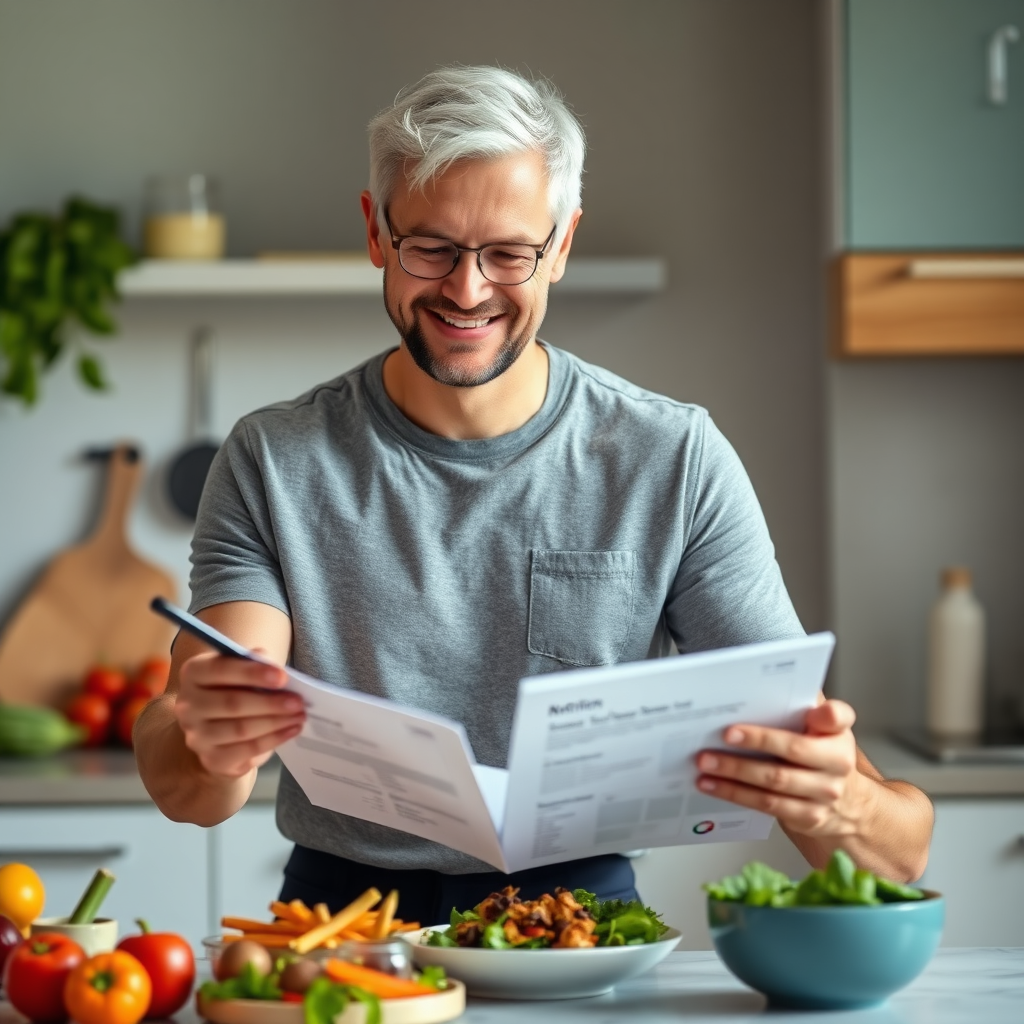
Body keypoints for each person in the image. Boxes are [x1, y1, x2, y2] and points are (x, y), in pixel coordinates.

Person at [135, 66, 933, 924]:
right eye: (430, 247)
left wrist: (834, 801)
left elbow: (895, 849)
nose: (467, 289)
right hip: (344, 926)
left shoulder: (675, 460)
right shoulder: (274, 460)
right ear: (376, 233)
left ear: (562, 244)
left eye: (509, 252)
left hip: (581, 924)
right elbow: (196, 790)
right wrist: (206, 740)